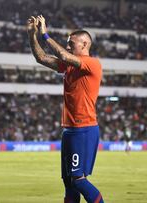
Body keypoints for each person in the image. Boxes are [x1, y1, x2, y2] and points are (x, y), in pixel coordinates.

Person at [27, 15, 104, 203]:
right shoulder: (69, 66)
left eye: (71, 44)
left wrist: (45, 34)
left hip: (83, 129)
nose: (68, 46)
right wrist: (32, 35)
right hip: (69, 130)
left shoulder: (92, 63)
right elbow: (42, 57)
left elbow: (62, 54)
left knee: (78, 180)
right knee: (68, 182)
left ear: (85, 44)